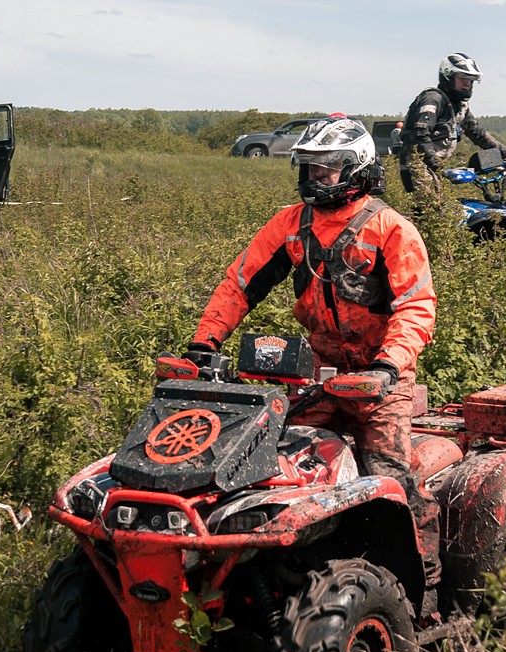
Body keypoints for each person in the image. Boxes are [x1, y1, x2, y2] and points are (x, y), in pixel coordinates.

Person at [184, 114, 443, 615]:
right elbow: (242, 283)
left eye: (326, 168)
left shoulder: (392, 228)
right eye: (309, 167)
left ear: (356, 168)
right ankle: (278, 572)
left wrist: (388, 366)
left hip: (379, 375)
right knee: (273, 463)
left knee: (391, 477)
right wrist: (204, 342)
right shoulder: (291, 224)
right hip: (317, 369)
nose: (315, 177)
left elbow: (416, 306)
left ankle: (426, 588)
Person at [399, 53, 506, 212]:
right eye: (462, 78)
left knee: (444, 212)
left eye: (471, 80)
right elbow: (420, 135)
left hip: (434, 167)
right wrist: (439, 167)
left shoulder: (459, 106)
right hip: (418, 165)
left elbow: (476, 132)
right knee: (429, 213)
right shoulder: (433, 99)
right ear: (448, 77)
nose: (467, 83)